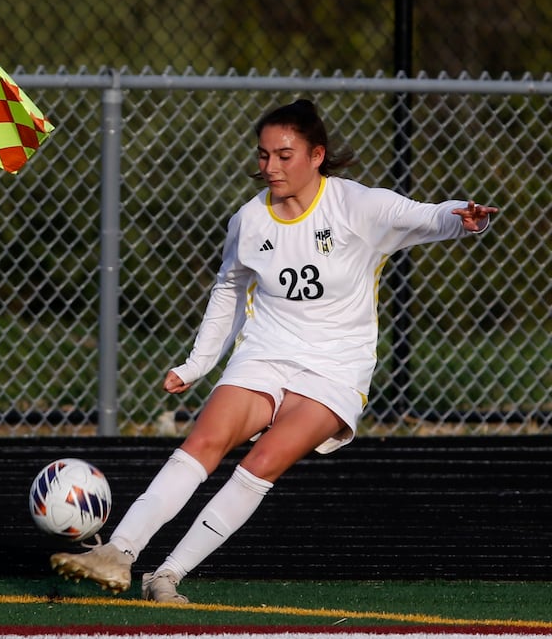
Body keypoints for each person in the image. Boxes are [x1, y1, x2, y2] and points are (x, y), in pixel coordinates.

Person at [50, 98, 497, 603]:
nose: (271, 167)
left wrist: (466, 217)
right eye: (264, 156)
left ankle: (168, 575)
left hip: (336, 369)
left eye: (285, 155)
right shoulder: (249, 220)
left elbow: (428, 216)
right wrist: (198, 364)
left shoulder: (357, 206)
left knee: (260, 463)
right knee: (204, 442)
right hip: (265, 353)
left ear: (316, 155)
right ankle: (119, 553)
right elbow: (228, 290)